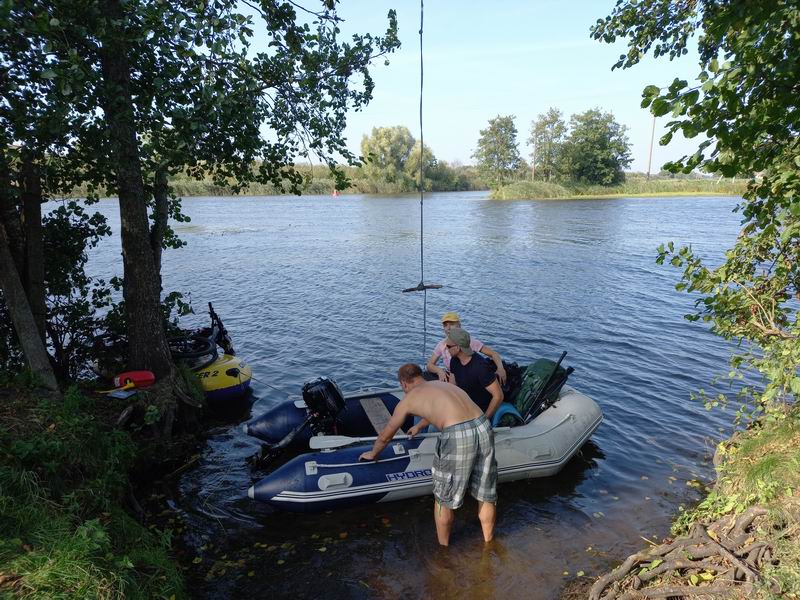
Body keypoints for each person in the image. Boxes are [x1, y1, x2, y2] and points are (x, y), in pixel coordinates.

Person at [359, 363, 497, 546]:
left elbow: (386, 435)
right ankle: (489, 541)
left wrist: (373, 453)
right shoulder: (444, 385)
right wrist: (419, 426)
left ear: (404, 384)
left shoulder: (408, 399)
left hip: (457, 434)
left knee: (443, 496)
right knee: (485, 492)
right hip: (482, 425)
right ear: (420, 376)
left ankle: (443, 548)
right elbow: (439, 407)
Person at [426, 311, 507, 385]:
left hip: (468, 378)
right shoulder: (442, 344)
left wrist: (500, 368)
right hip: (452, 377)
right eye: (445, 325)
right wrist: (440, 371)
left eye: (451, 324)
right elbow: (429, 365)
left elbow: (493, 353)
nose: (448, 328)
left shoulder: (468, 341)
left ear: (459, 325)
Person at [446, 327, 504, 420]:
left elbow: (498, 396)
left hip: (478, 411)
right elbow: (453, 388)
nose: (446, 348)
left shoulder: (481, 367)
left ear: (457, 348)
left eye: (448, 346)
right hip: (463, 405)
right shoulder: (454, 361)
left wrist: (483, 420)